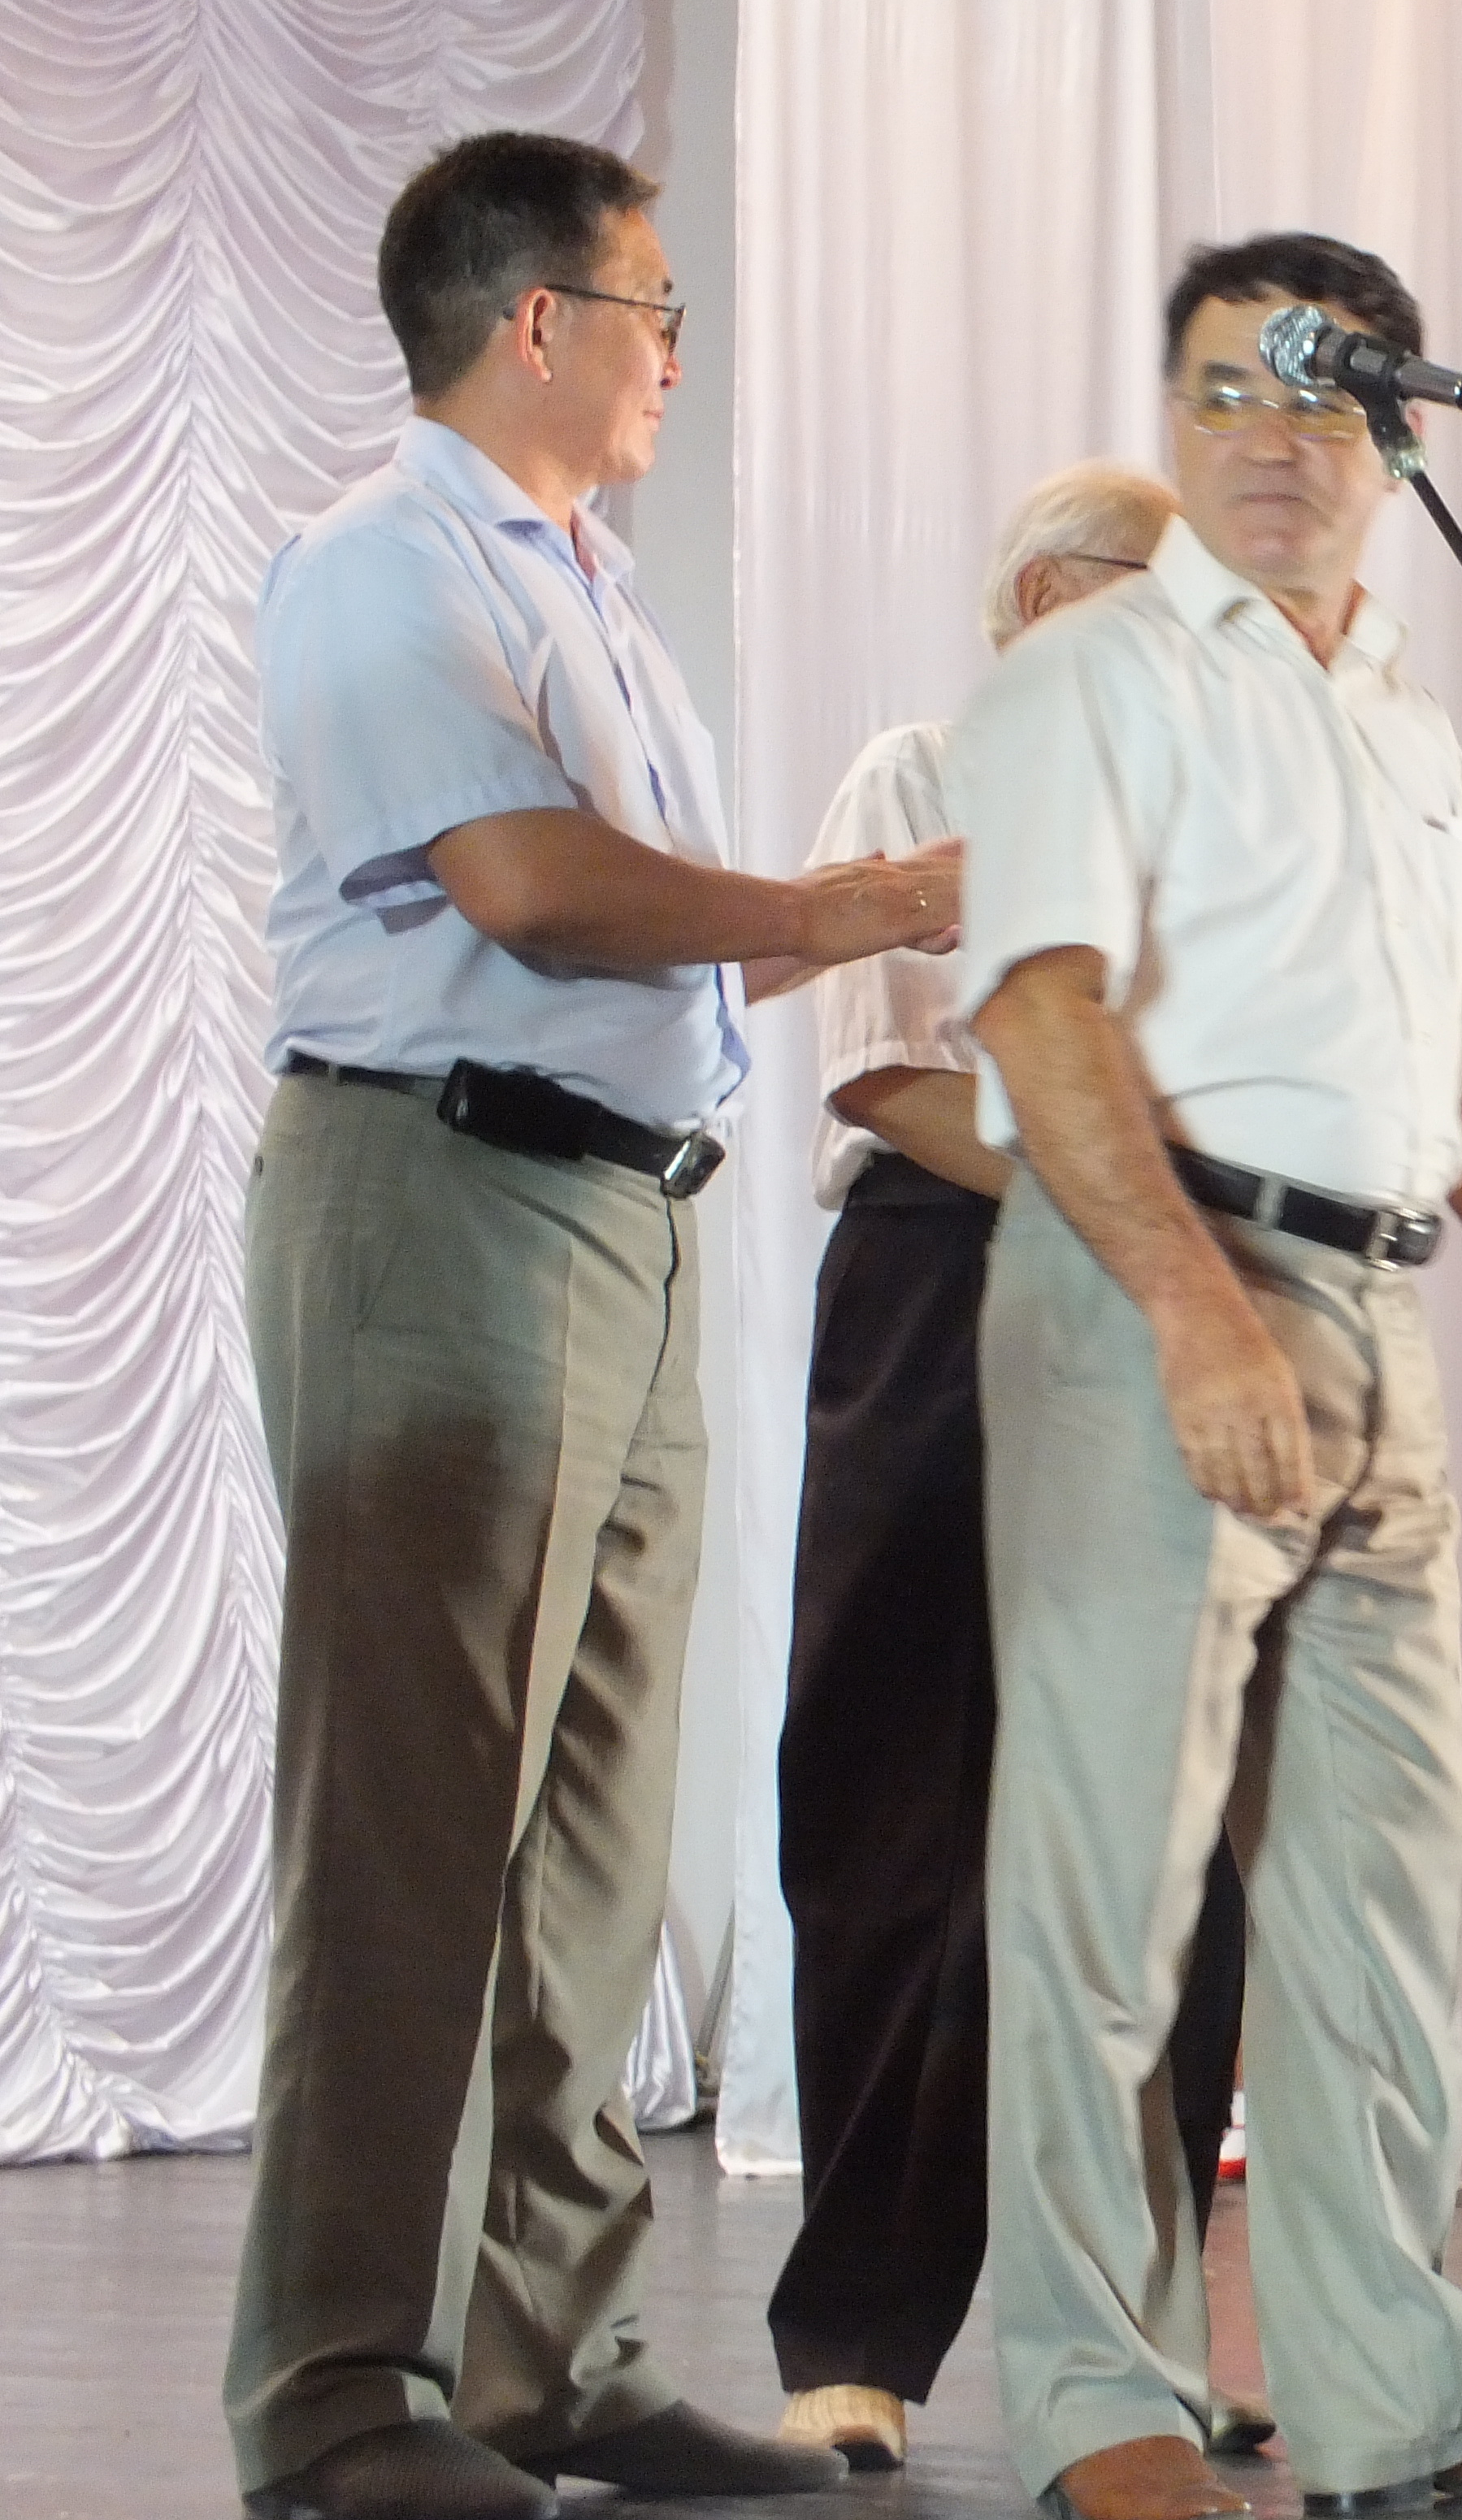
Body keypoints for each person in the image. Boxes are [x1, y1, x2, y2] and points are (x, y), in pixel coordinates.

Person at [230, 129, 961, 2520]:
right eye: (654, 305)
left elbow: (669, 946)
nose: (674, 350)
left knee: (594, 1839)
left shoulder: (593, 596)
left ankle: (549, 2359)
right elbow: (534, 890)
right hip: (440, 1197)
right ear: (533, 320)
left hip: (622, 1220)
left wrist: (873, 914)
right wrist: (856, 893)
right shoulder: (385, 563)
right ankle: (337, 2398)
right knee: (414, 1821)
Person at [957, 232, 1462, 2520]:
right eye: (1221, 390)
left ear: (1403, 435)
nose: (1266, 434)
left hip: (1381, 1308)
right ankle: (1105, 2400)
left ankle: (1401, 2402)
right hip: (1160, 1276)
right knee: (1106, 1888)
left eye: (1318, 390)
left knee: (1381, 1901)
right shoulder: (1092, 676)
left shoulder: (1417, 725)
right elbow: (1041, 1005)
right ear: (1173, 420)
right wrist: (1191, 1307)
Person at [762, 464, 1266, 2474]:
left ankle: (1140, 2343)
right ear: (1048, 600)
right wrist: (1131, 1199)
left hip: (1159, 1319)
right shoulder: (918, 772)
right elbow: (890, 1072)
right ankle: (857, 2332)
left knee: (1170, 1846)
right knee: (898, 1805)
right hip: (946, 1289)